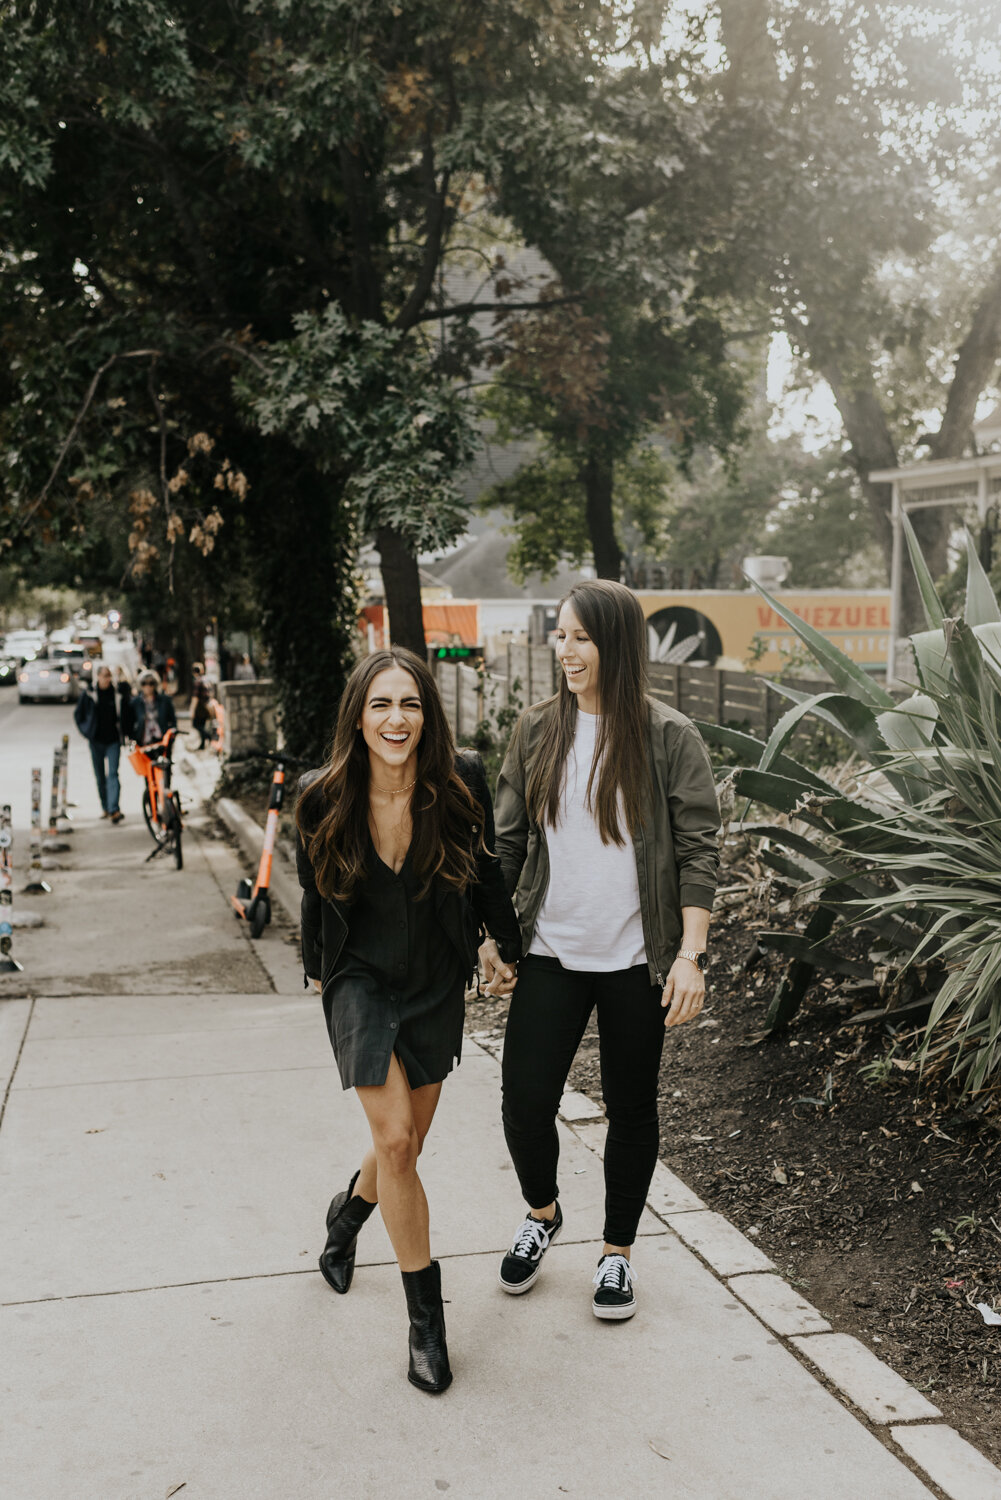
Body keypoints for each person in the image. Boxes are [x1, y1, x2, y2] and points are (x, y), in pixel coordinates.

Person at [295, 646, 521, 1395]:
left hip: (432, 977)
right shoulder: (320, 797)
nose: (397, 719)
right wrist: (318, 972)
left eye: (411, 704)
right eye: (382, 704)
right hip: (358, 979)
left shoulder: (461, 782)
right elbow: (312, 895)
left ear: (428, 715)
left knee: (405, 1146)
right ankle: (426, 1326)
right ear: (357, 717)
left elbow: (484, 869)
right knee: (394, 1140)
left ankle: (347, 1215)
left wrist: (502, 946)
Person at [494, 579, 720, 1322]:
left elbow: (697, 850)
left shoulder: (667, 735)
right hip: (551, 953)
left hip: (635, 960)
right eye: (560, 636)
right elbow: (506, 846)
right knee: (525, 1103)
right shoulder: (534, 731)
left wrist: (689, 954)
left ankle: (616, 1253)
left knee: (631, 1108)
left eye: (581, 638)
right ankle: (543, 1211)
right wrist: (494, 940)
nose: (566, 651)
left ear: (616, 644)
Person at [73, 664, 132, 822]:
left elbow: (127, 716)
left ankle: (114, 809)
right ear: (97, 677)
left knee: (113, 774)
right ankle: (105, 807)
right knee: (100, 777)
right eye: (103, 675)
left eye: (108, 676)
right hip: (96, 741)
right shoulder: (90, 694)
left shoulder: (117, 694)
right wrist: (87, 732)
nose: (106, 679)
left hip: (113, 740)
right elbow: (79, 715)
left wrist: (128, 737)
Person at [129, 669, 177, 745]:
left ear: (155, 684)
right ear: (140, 685)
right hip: (143, 740)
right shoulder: (135, 702)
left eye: (151, 683)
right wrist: (132, 737)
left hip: (162, 740)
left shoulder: (164, 700)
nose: (147, 686)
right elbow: (130, 722)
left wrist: (171, 733)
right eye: (144, 683)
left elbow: (172, 719)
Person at [189, 663, 212, 749]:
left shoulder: (197, 682)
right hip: (206, 707)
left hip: (200, 709)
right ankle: (202, 744)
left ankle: (208, 737)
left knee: (197, 726)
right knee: (201, 725)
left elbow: (195, 698)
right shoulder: (206, 680)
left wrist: (192, 710)